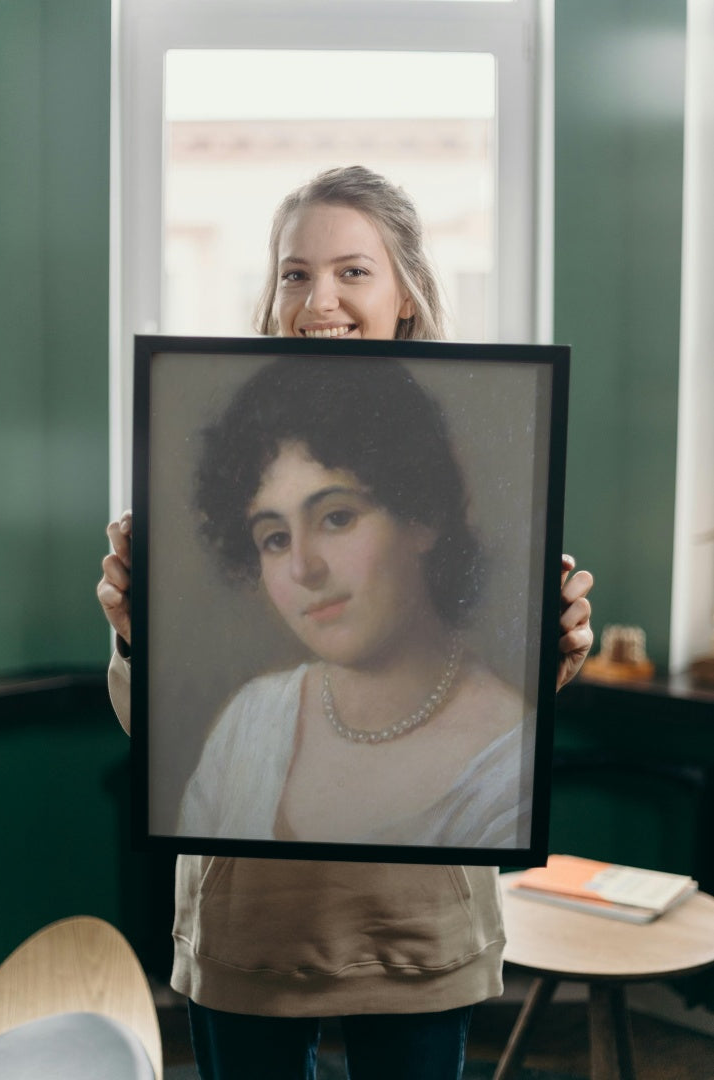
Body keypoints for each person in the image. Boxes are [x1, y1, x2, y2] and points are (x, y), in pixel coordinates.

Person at [98, 165, 594, 1080]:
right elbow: (155, 739)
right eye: (294, 272)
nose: (317, 297)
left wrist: (547, 654)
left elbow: (520, 719)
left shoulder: (491, 429)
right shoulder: (251, 718)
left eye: (352, 271)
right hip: (247, 939)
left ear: (406, 291)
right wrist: (136, 633)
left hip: (415, 938)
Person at [179, 356, 533, 848]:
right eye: (276, 539)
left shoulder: (508, 759)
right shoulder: (252, 722)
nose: (304, 568)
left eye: (337, 518)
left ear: (422, 516)